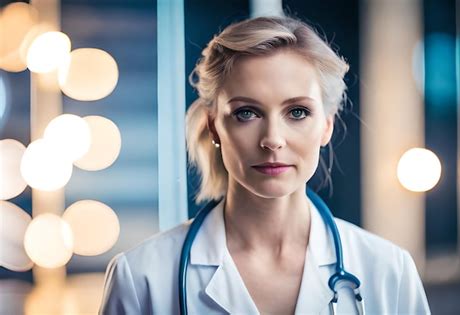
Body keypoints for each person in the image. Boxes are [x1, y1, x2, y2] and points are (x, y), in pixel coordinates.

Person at [100, 16, 431, 314]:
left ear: (327, 125)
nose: (273, 139)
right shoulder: (141, 278)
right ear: (214, 125)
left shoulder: (389, 271)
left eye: (297, 112)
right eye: (247, 112)